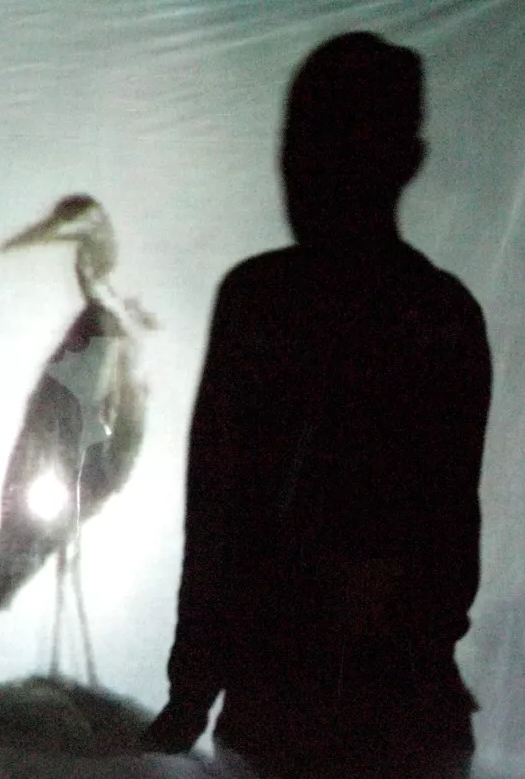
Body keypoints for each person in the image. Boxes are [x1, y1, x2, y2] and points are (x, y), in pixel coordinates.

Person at [144, 32, 491, 779]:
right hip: (407, 717)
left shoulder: (261, 304)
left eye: (320, 144)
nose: (305, 171)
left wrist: (191, 692)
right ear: (413, 160)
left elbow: (218, 519)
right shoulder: (442, 314)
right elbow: (452, 536)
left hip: (283, 718)